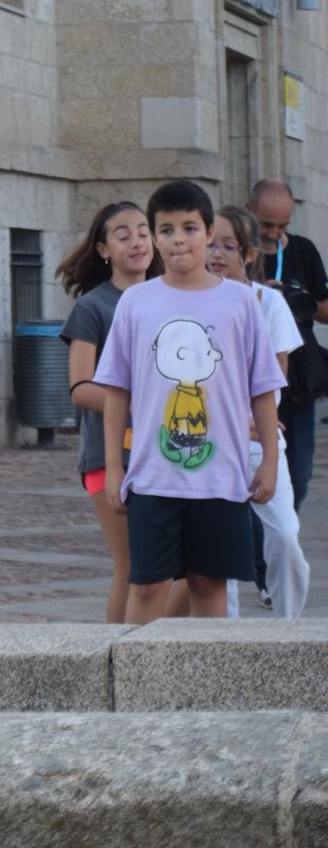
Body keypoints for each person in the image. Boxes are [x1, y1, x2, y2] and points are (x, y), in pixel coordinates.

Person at [94, 180, 287, 624]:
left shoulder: (240, 303)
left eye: (189, 227)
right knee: (145, 588)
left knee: (209, 586)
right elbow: (117, 390)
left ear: (207, 234)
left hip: (222, 479)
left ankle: (211, 691)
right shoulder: (136, 303)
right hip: (152, 478)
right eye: (165, 229)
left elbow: (262, 388)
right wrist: (114, 467)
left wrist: (270, 462)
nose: (177, 239)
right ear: (156, 237)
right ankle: (135, 687)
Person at [57, 201, 159, 623]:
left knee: (193, 571)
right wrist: (140, 399)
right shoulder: (93, 308)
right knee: (133, 568)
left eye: (143, 231)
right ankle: (117, 659)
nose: (137, 241)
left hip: (164, 453)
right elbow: (80, 389)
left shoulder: (169, 297)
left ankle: (146, 648)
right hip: (108, 455)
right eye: (123, 234)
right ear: (103, 249)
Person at [210, 206, 309, 617]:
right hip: (208, 439)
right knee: (220, 547)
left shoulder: (268, 302)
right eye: (210, 243)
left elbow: (275, 376)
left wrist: (260, 429)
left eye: (227, 246)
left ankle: (288, 628)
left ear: (248, 254)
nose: (215, 253)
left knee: (284, 534)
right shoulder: (189, 300)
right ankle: (225, 638)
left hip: (256, 435)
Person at [248, 177, 328, 509]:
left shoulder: (303, 249)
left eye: (283, 225)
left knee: (299, 471)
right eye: (267, 224)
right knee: (255, 463)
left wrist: (301, 299)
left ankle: (285, 531)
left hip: (297, 379)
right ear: (249, 211)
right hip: (252, 375)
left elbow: (324, 312)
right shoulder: (237, 252)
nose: (274, 233)